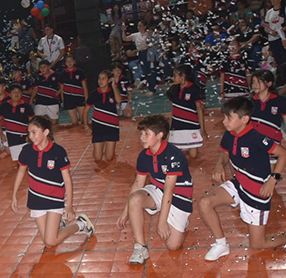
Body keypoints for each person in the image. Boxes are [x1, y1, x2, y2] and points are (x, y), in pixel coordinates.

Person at [198, 97, 286, 260]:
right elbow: (225, 153)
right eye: (224, 117)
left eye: (229, 117)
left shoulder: (256, 138)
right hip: (239, 184)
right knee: (204, 202)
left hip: (257, 192)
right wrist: (219, 165)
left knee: (258, 244)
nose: (224, 121)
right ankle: (221, 244)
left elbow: (283, 154)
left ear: (244, 119)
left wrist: (272, 180)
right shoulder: (230, 134)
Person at [118, 115, 193, 264]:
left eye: (147, 134)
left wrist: (162, 221)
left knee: (173, 246)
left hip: (179, 195)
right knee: (135, 199)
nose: (142, 137)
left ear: (159, 136)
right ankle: (140, 248)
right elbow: (138, 184)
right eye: (141, 133)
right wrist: (125, 211)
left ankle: (182, 224)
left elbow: (170, 191)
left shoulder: (174, 156)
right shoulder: (144, 155)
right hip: (158, 189)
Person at [11, 116, 95, 247]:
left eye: (34, 132)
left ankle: (81, 224)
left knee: (50, 241)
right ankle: (58, 224)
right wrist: (14, 195)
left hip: (54, 199)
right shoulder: (26, 151)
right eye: (29, 133)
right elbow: (21, 171)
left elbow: (67, 179)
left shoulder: (58, 151)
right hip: (36, 200)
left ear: (45, 132)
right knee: (48, 243)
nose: (31, 136)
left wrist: (69, 205)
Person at [250, 70, 286, 164]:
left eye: (259, 82)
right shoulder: (250, 102)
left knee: (271, 174)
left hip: (273, 143)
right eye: (253, 82)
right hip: (254, 142)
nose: (255, 85)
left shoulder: (280, 101)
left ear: (269, 83)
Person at [166, 64, 206, 159]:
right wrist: (170, 128)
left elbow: (199, 109)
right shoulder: (174, 90)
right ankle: (183, 145)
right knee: (175, 154)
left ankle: (188, 146)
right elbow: (173, 110)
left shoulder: (194, 89)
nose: (173, 78)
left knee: (193, 155)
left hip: (191, 125)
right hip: (177, 125)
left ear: (183, 76)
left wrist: (202, 129)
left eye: (175, 76)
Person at [84, 70, 122, 163]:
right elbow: (86, 110)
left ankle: (109, 149)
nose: (100, 81)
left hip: (112, 127)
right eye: (99, 78)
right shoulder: (94, 94)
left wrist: (114, 86)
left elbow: (119, 100)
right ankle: (101, 149)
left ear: (109, 80)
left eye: (104, 78)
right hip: (98, 127)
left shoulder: (114, 92)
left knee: (109, 157)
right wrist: (85, 125)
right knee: (98, 158)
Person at [0, 83, 33, 162]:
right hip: (11, 137)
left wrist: (29, 135)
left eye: (19, 92)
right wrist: (1, 134)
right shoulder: (4, 106)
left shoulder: (27, 106)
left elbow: (33, 122)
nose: (16, 94)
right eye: (14, 92)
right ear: (10, 94)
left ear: (22, 94)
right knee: (17, 160)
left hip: (24, 137)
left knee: (28, 159)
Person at [58, 55, 88, 127]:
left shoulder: (80, 72)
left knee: (84, 120)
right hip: (68, 99)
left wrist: (87, 99)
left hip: (80, 98)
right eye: (67, 61)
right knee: (75, 123)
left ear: (74, 62)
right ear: (65, 63)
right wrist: (63, 100)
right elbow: (62, 89)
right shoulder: (62, 74)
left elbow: (85, 87)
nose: (69, 63)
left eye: (71, 60)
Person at [30, 60, 61, 125]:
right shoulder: (38, 77)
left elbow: (63, 85)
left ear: (49, 67)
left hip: (53, 101)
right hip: (40, 102)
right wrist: (31, 99)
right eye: (41, 67)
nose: (42, 69)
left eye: (44, 67)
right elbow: (35, 88)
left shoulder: (56, 75)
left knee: (54, 122)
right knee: (39, 121)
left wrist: (59, 91)